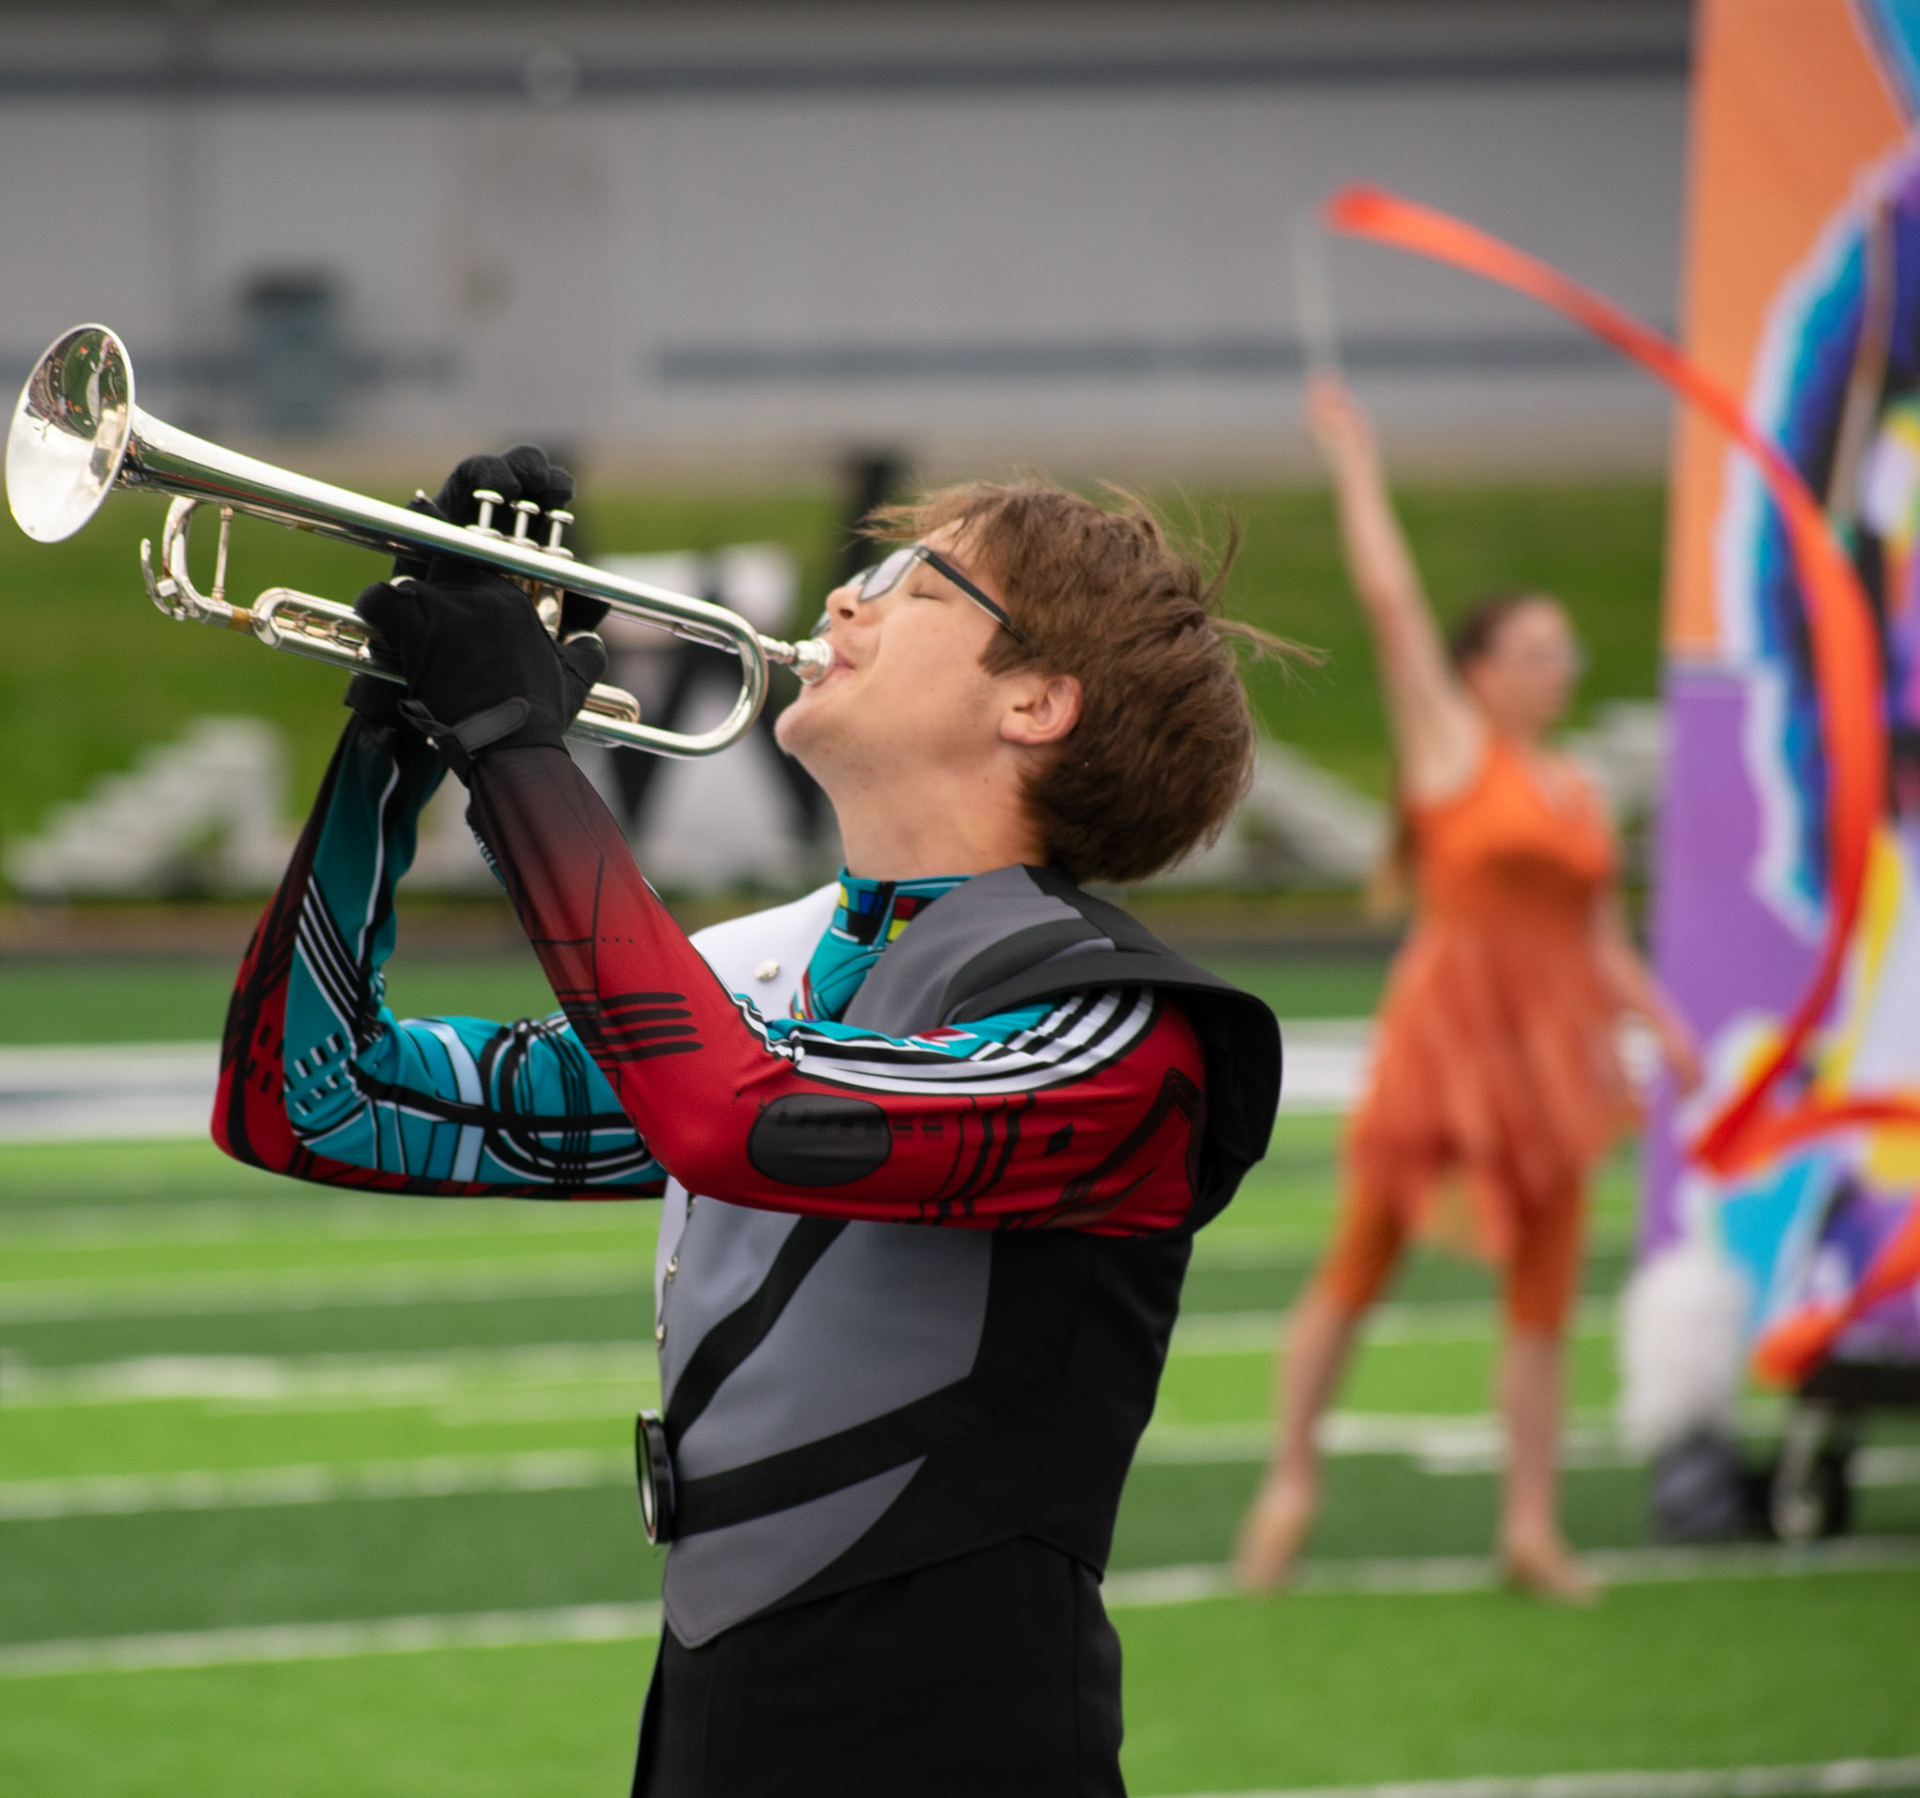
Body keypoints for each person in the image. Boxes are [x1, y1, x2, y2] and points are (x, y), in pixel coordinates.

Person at [213, 445, 1291, 1796]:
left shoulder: (1124, 1034)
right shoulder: (769, 975)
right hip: (713, 1724)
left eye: (915, 586)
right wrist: (395, 732)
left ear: (1036, 700)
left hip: (959, 1738)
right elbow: (312, 1102)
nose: (844, 599)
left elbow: (736, 1121)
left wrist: (511, 749)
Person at [1233, 377, 1700, 1603]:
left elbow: (1600, 936)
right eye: (1537, 651)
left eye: (1564, 652)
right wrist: (1353, 455)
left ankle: (1530, 1525)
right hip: (1449, 1044)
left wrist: (1662, 1025)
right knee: (1358, 1264)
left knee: (1545, 1289)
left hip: (1550, 1059)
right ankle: (1289, 1479)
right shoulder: (1452, 750)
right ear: (1481, 670)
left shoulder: (1576, 788)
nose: (1559, 669)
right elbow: (1390, 600)